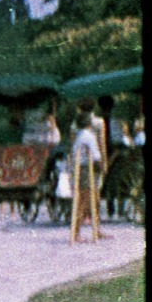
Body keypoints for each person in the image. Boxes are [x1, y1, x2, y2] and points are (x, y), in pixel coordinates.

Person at [69, 103, 106, 240]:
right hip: (87, 170)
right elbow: (96, 156)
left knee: (85, 200)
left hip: (81, 168)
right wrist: (102, 166)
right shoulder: (89, 136)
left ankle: (86, 231)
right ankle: (77, 233)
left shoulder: (79, 135)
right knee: (86, 201)